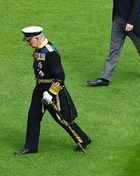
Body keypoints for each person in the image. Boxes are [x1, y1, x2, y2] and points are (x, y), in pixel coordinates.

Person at [16, 26, 91, 155]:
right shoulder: (39, 49)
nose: (28, 43)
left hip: (53, 91)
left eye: (29, 41)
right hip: (39, 88)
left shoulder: (50, 53)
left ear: (38, 38)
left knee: (63, 119)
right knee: (33, 116)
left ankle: (84, 139)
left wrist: (51, 93)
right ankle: (31, 146)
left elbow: (60, 78)